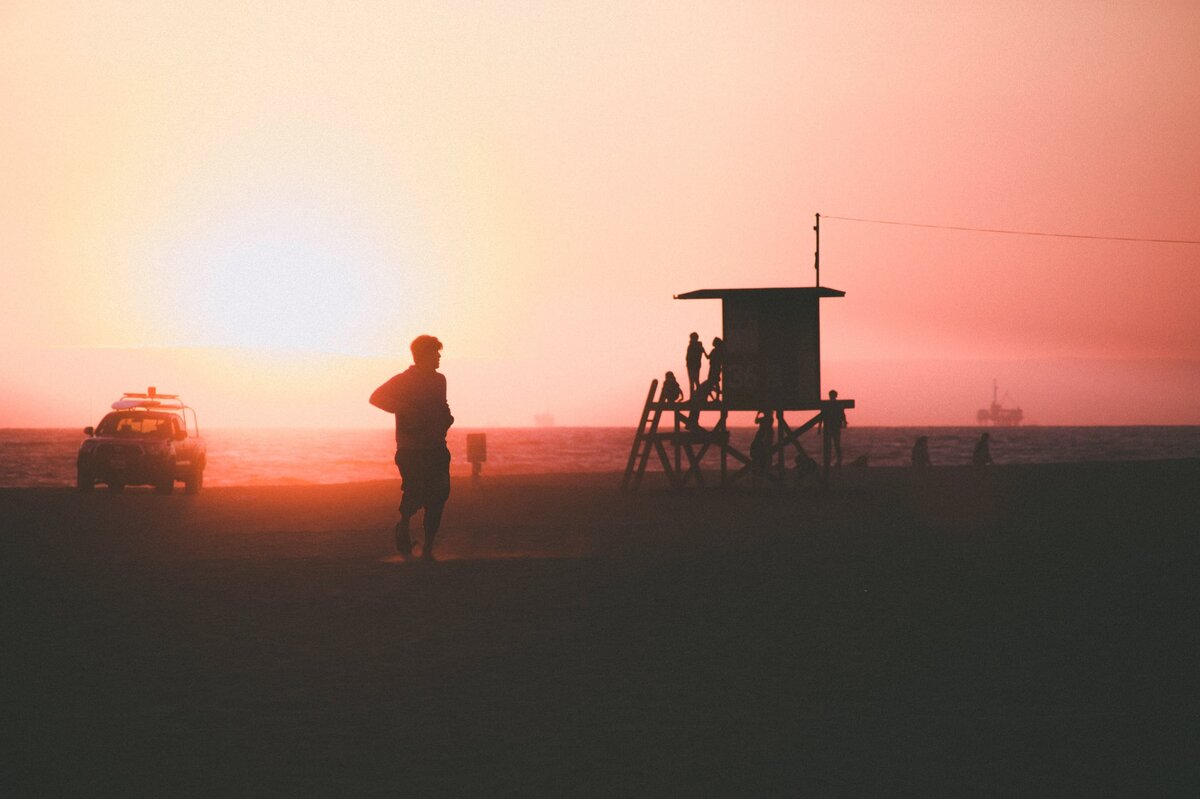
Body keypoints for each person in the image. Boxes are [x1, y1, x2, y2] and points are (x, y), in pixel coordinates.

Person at [370, 335, 454, 561]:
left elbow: (442, 404)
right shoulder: (404, 380)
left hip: (437, 447)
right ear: (423, 355)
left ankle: (427, 548)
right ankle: (404, 525)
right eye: (435, 353)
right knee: (415, 493)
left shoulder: (440, 380)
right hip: (411, 449)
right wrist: (403, 408)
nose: (439, 357)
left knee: (438, 497)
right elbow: (375, 398)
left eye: (439, 353)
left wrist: (447, 417)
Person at [822, 389, 847, 470]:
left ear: (829, 395)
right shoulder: (839, 404)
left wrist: (819, 428)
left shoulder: (826, 404)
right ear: (836, 395)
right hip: (835, 426)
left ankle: (827, 463)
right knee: (837, 445)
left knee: (828, 446)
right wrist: (844, 423)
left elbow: (822, 416)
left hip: (828, 426)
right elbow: (843, 414)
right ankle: (839, 462)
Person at [685, 333, 707, 398]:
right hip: (694, 365)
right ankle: (696, 396)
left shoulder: (693, 346)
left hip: (693, 365)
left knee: (694, 381)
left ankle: (695, 396)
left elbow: (688, 356)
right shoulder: (699, 346)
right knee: (695, 381)